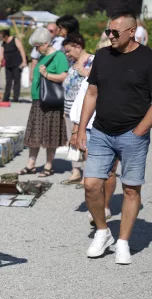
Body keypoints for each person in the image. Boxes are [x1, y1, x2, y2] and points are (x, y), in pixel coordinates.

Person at [77, 12, 152, 264]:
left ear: (132, 32)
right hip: (101, 132)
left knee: (130, 188)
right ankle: (102, 231)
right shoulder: (102, 56)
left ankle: (123, 242)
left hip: (133, 134)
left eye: (115, 32)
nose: (110, 36)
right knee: (91, 185)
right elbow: (91, 93)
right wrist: (80, 129)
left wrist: (141, 130)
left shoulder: (148, 58)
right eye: (108, 31)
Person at [70, 39, 115, 226]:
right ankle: (98, 209)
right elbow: (81, 101)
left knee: (110, 171)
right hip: (89, 127)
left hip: (110, 127)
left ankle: (105, 206)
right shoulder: (93, 73)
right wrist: (75, 130)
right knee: (94, 172)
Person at [19, 27, 68, 177]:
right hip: (37, 99)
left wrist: (46, 74)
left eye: (38, 46)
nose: (36, 49)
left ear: (46, 43)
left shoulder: (59, 56)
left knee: (50, 134)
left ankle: (49, 165)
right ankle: (31, 164)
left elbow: (63, 76)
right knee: (34, 133)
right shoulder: (42, 56)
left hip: (51, 100)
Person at [60, 33, 94, 185]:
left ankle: (87, 174)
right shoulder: (71, 62)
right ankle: (75, 170)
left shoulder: (92, 60)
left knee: (84, 140)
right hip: (69, 108)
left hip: (84, 108)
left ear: (78, 47)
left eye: (68, 51)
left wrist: (84, 73)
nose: (66, 54)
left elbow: (95, 82)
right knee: (71, 140)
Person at [0, 29, 27, 102]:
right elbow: (1, 54)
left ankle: (16, 98)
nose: (1, 39)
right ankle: (6, 98)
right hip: (8, 64)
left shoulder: (15, 40)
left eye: (2, 37)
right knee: (8, 81)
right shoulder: (3, 43)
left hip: (17, 63)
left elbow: (21, 50)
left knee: (16, 80)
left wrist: (24, 61)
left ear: (6, 36)